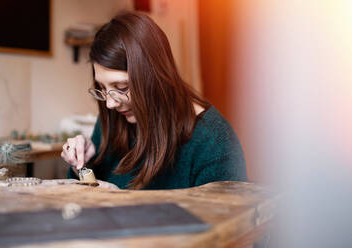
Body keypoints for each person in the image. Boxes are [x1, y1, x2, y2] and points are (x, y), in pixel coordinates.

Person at [61, 11, 247, 190]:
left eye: (122, 88)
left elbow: (228, 219)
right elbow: (88, 200)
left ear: (156, 76)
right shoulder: (111, 119)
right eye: (102, 88)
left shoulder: (213, 140)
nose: (110, 103)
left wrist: (126, 205)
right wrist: (83, 166)